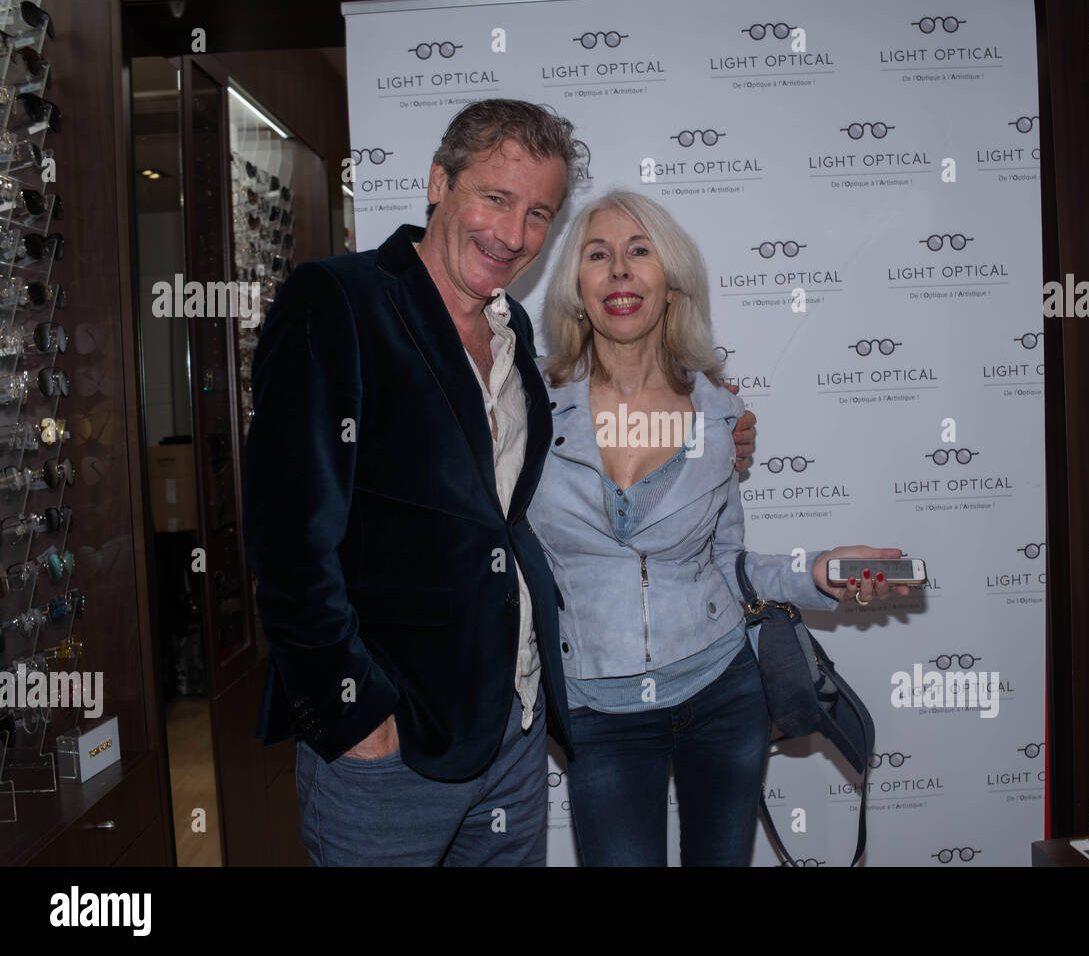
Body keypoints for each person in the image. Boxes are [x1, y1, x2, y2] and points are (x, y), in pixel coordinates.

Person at [242, 100, 757, 866]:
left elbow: (511, 520)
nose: (513, 234)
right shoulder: (339, 302)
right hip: (391, 745)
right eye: (495, 198)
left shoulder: (515, 339)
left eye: (539, 212)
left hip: (514, 740)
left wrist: (715, 434)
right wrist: (352, 716)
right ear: (438, 183)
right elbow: (288, 541)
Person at [528, 189, 909, 866]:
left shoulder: (718, 414)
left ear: (670, 284)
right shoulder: (529, 411)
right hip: (597, 710)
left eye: (639, 251)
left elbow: (730, 564)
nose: (619, 269)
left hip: (721, 694)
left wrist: (818, 570)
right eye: (598, 254)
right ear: (576, 291)